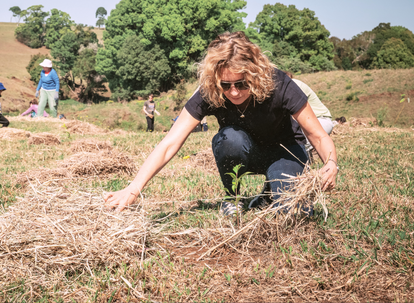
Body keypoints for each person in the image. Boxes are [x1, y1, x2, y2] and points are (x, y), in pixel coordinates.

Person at [104, 31, 338, 214]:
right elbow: (169, 143)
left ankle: (271, 190)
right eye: (226, 85)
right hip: (246, 151)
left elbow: (317, 134)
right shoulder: (210, 90)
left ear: (255, 75)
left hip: (285, 152)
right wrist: (133, 188)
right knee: (229, 139)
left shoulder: (279, 84)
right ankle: (232, 197)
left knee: (292, 210)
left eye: (242, 84)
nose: (234, 92)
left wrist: (330, 163)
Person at [286, 72, 334, 142]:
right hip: (312, 122)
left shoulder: (293, 85)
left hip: (319, 120)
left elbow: (292, 114)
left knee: (292, 141)